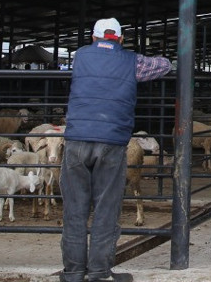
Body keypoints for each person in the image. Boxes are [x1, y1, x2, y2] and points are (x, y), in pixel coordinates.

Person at [61, 17, 172, 282]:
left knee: (74, 209)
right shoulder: (132, 61)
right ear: (121, 39)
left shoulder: (80, 57)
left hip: (76, 139)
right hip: (111, 141)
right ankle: (99, 271)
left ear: (93, 38)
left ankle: (73, 272)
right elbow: (165, 65)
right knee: (106, 207)